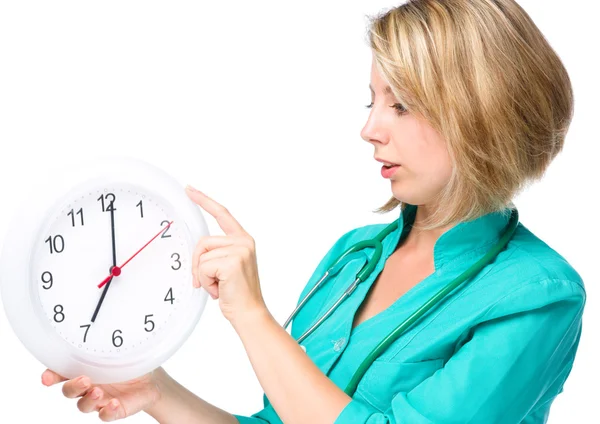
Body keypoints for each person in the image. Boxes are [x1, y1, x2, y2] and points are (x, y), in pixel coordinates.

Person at [41, 0, 586, 422]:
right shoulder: (354, 258)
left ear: (482, 112)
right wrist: (155, 390)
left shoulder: (539, 295)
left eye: (402, 104)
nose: (370, 129)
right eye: (370, 101)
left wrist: (251, 316)